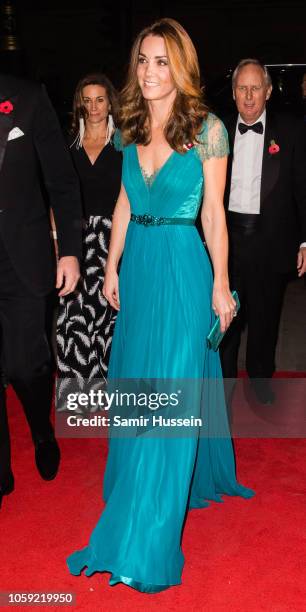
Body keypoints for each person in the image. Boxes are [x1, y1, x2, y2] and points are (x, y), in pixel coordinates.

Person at [67, 18, 254, 593]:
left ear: (181, 67)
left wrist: (221, 283)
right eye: (143, 61)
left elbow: (215, 216)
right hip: (141, 268)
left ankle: (145, 537)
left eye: (161, 61)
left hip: (181, 264)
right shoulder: (126, 126)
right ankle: (164, 488)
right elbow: (124, 199)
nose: (149, 72)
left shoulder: (208, 130)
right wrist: (111, 265)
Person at [0, 73, 82, 509]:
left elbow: (62, 181)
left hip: (23, 259)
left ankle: (41, 430)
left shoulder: (28, 98)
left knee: (25, 362)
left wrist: (69, 251)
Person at [219, 59, 306, 406]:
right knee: (225, 317)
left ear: (268, 91)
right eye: (243, 88)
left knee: (266, 317)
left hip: (271, 239)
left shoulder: (292, 130)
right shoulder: (218, 130)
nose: (250, 96)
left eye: (256, 88)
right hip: (227, 240)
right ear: (234, 93)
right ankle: (222, 385)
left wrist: (304, 239)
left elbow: (302, 186)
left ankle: (259, 380)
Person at [56, 74, 122, 393]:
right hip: (77, 240)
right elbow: (55, 195)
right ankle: (81, 390)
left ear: (110, 103)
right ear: (80, 104)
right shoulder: (68, 146)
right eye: (88, 99)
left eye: (100, 99)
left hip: (114, 239)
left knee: (112, 313)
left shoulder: (124, 144)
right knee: (77, 315)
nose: (94, 106)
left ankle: (113, 386)